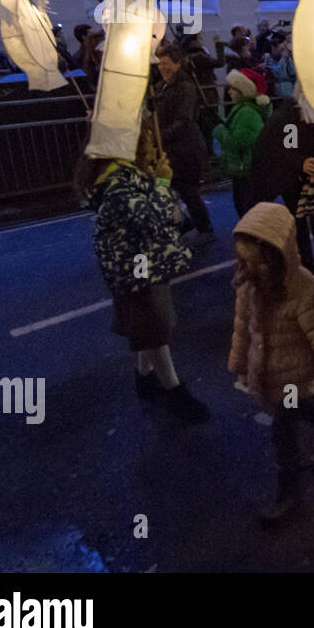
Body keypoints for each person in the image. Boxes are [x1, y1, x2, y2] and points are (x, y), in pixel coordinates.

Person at [229, 201, 314, 523]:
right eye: (245, 261)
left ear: (278, 254)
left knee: (283, 430)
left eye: (257, 263)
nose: (250, 269)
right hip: (269, 371)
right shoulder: (248, 284)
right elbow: (243, 326)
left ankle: (290, 494)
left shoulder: (304, 289)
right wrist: (240, 361)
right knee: (306, 408)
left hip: (295, 373)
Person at [78, 138, 211, 423]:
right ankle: (175, 392)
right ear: (133, 146)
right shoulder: (116, 180)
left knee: (146, 323)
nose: (154, 148)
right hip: (136, 265)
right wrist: (163, 184)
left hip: (143, 260)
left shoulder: (126, 173)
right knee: (154, 325)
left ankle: (145, 377)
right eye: (148, 143)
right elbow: (149, 220)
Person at [250, 86, 314, 294]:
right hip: (291, 177)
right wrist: (302, 162)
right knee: (299, 223)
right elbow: (284, 147)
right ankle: (309, 271)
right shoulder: (290, 113)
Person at [152, 43, 214, 238]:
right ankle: (186, 222)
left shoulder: (185, 87)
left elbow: (184, 121)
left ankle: (204, 229)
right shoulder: (161, 86)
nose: (162, 67)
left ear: (177, 64)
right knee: (168, 190)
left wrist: (159, 137)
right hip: (169, 150)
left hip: (185, 149)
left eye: (167, 63)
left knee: (188, 191)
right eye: (160, 63)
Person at [215, 69, 272, 216]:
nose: (229, 92)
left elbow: (239, 141)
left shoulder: (248, 113)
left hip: (245, 168)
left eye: (233, 88)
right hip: (243, 167)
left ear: (243, 90)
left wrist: (220, 130)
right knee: (245, 206)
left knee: (247, 208)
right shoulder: (242, 108)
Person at [266, 33, 296, 100]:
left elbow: (293, 73)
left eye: (285, 49)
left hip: (291, 95)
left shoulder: (287, 58)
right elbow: (277, 74)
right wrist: (283, 59)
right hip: (279, 97)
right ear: (273, 47)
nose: (284, 51)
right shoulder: (267, 59)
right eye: (282, 49)